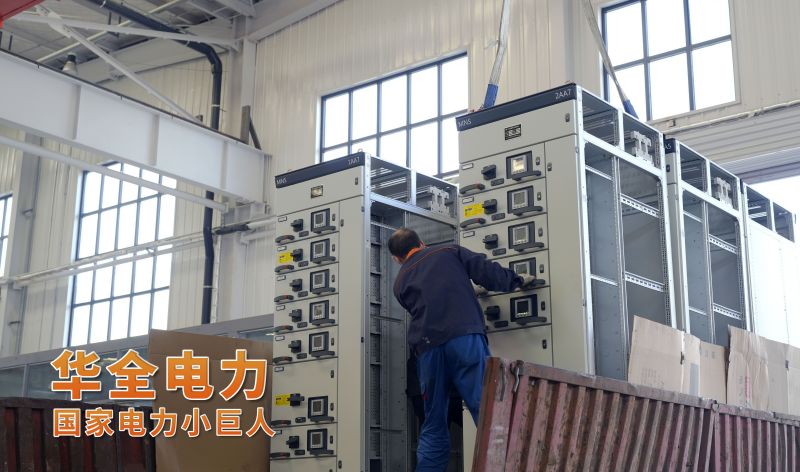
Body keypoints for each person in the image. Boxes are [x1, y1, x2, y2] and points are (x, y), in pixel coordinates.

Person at [388, 227, 534, 472]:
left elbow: (428, 302)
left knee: (434, 421)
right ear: (421, 243)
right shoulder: (448, 251)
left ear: (396, 259)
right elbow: (485, 271)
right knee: (485, 406)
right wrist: (515, 280)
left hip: (427, 349)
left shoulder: (399, 282)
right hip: (463, 336)